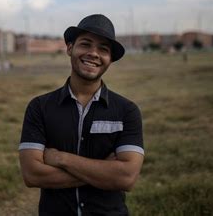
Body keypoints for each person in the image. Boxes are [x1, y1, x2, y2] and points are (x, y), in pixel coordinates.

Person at [19, 14, 144, 216]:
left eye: (103, 49)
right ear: (70, 48)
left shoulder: (127, 111)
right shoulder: (39, 107)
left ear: (110, 59)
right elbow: (32, 175)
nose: (93, 53)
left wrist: (61, 158)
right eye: (85, 44)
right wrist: (106, 172)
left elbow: (126, 179)